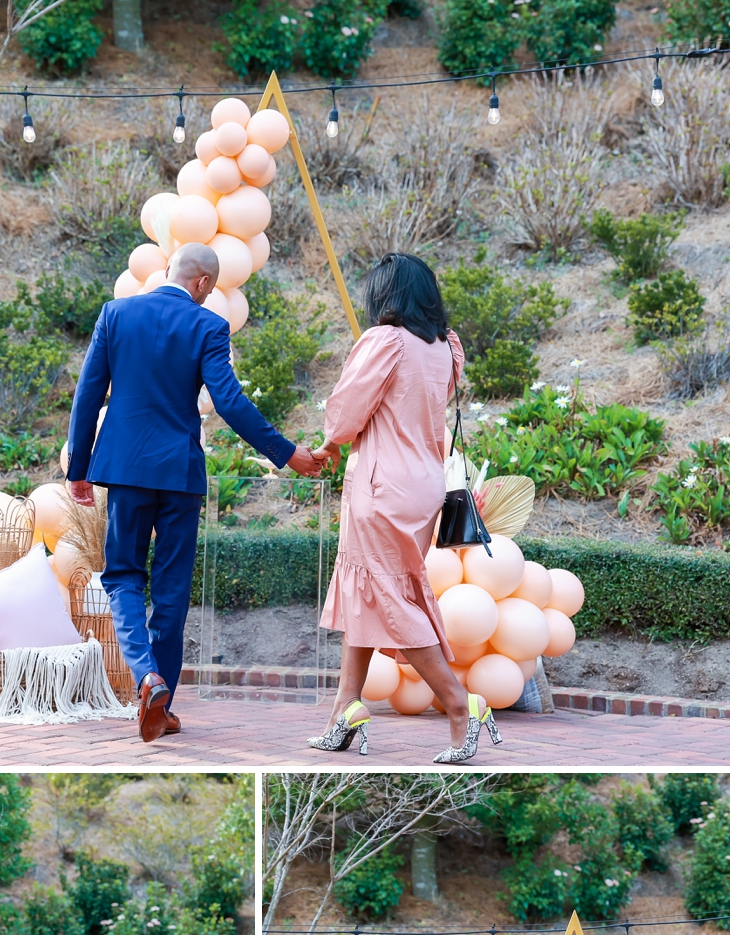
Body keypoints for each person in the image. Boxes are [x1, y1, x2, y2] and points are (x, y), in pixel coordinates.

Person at [66, 243, 322, 743]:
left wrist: (78, 466)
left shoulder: (115, 314)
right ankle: (163, 707)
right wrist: (286, 453)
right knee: (172, 592)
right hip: (180, 473)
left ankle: (147, 678)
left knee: (122, 576)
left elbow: (88, 394)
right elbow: (229, 401)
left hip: (125, 470)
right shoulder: (208, 326)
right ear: (203, 283)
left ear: (168, 270)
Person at [309, 251, 502, 765]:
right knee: (371, 594)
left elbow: (345, 417)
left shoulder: (385, 341)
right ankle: (342, 712)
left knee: (390, 602)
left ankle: (462, 706)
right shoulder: (443, 347)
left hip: (381, 487)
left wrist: (327, 441)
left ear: (386, 295)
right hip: (421, 484)